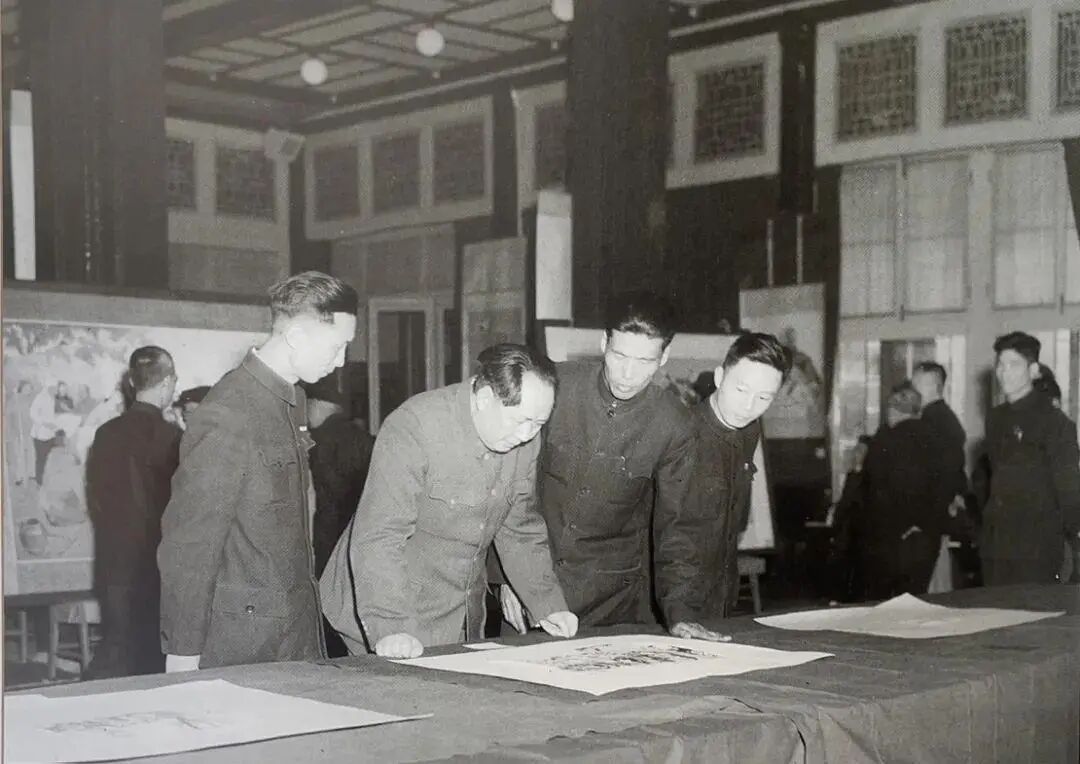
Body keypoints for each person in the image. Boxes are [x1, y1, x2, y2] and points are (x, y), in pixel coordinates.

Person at [321, 344, 576, 659]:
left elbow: (520, 528)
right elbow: (380, 535)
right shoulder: (415, 426)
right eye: (520, 421)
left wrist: (547, 604)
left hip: (456, 611)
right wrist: (390, 626)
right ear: (484, 399)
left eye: (538, 424)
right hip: (384, 607)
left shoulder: (523, 439)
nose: (526, 435)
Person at [158, 271, 358, 671]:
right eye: (337, 347)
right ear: (296, 336)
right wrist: (181, 653)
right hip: (245, 646)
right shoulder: (229, 411)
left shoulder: (290, 401)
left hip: (295, 635)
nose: (340, 361)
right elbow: (191, 543)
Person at [500, 292, 720, 641]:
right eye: (619, 356)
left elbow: (678, 528)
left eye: (644, 361)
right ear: (604, 343)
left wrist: (680, 612)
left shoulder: (675, 424)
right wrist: (508, 578)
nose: (627, 375)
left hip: (613, 604)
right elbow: (508, 483)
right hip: (530, 589)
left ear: (664, 357)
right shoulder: (555, 386)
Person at [85, 347, 181, 678]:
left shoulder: (105, 434)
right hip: (157, 566)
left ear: (131, 382)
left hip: (114, 562)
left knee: (117, 647)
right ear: (167, 382)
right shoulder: (173, 437)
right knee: (151, 658)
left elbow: (96, 500)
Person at [684, 332, 789, 618]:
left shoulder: (749, 431)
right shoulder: (682, 434)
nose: (749, 406)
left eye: (764, 397)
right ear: (719, 377)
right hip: (672, 595)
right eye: (741, 390)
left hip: (720, 589)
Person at [981, 332, 1080, 585]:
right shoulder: (995, 419)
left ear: (1033, 370)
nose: (1004, 373)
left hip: (1036, 547)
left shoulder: (1055, 422)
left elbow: (1068, 489)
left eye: (1014, 365)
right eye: (1001, 365)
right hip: (996, 544)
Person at [859, 384, 951, 599]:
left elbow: (873, 490)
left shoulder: (884, 441)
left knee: (885, 602)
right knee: (917, 598)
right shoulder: (938, 440)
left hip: (890, 538)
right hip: (926, 536)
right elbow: (945, 485)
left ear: (892, 410)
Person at [911, 361, 967, 515]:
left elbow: (945, 472)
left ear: (934, 386)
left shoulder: (934, 421)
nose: (912, 390)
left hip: (936, 508)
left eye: (917, 384)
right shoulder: (940, 416)